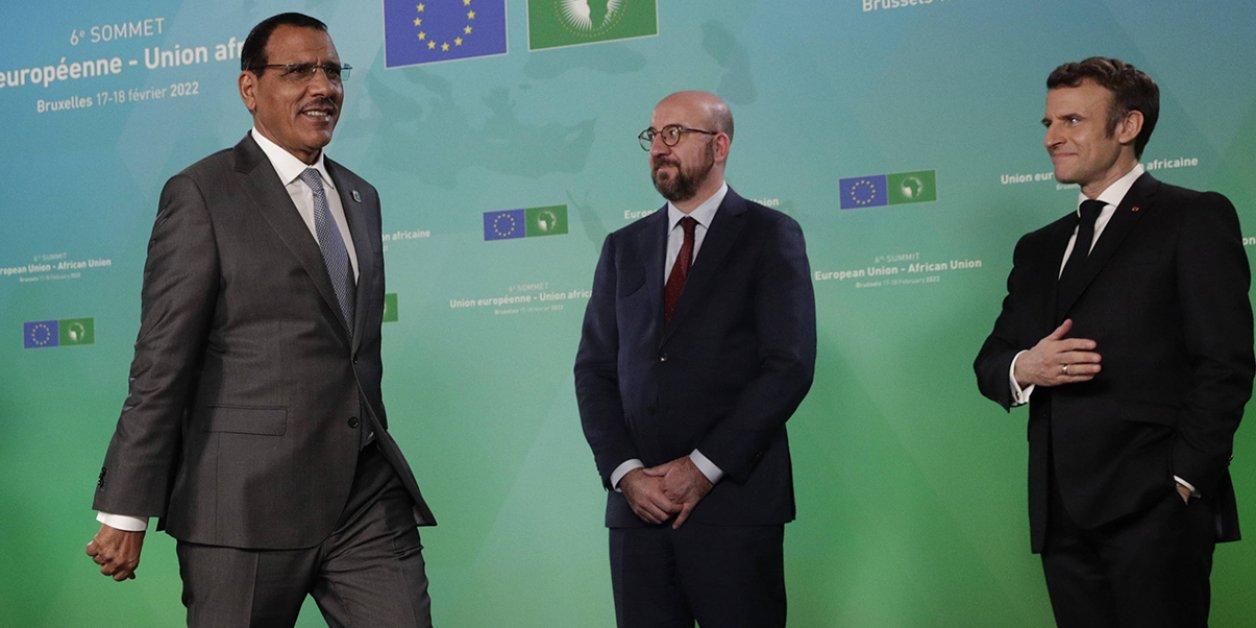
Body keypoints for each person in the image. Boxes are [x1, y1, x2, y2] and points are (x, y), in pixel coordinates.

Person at [84, 13, 436, 626]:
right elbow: (162, 360)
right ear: (250, 88)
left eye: (332, 71)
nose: (322, 87)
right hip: (243, 508)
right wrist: (125, 508)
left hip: (365, 497)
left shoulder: (361, 196)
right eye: (298, 71)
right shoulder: (203, 193)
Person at [973, 57, 1253, 626]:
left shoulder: (1192, 216)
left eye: (1072, 121)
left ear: (1128, 126)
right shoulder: (1039, 247)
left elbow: (1225, 363)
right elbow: (992, 363)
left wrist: (1182, 481)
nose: (1052, 138)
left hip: (1156, 509)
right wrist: (1028, 366)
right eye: (1049, 123)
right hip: (1060, 517)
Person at [574, 90, 816, 627]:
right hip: (638, 513)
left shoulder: (770, 235)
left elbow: (789, 365)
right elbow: (594, 370)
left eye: (676, 133)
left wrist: (703, 468)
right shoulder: (622, 247)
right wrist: (625, 474)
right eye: (653, 135)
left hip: (735, 507)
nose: (660, 147)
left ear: (719, 145)